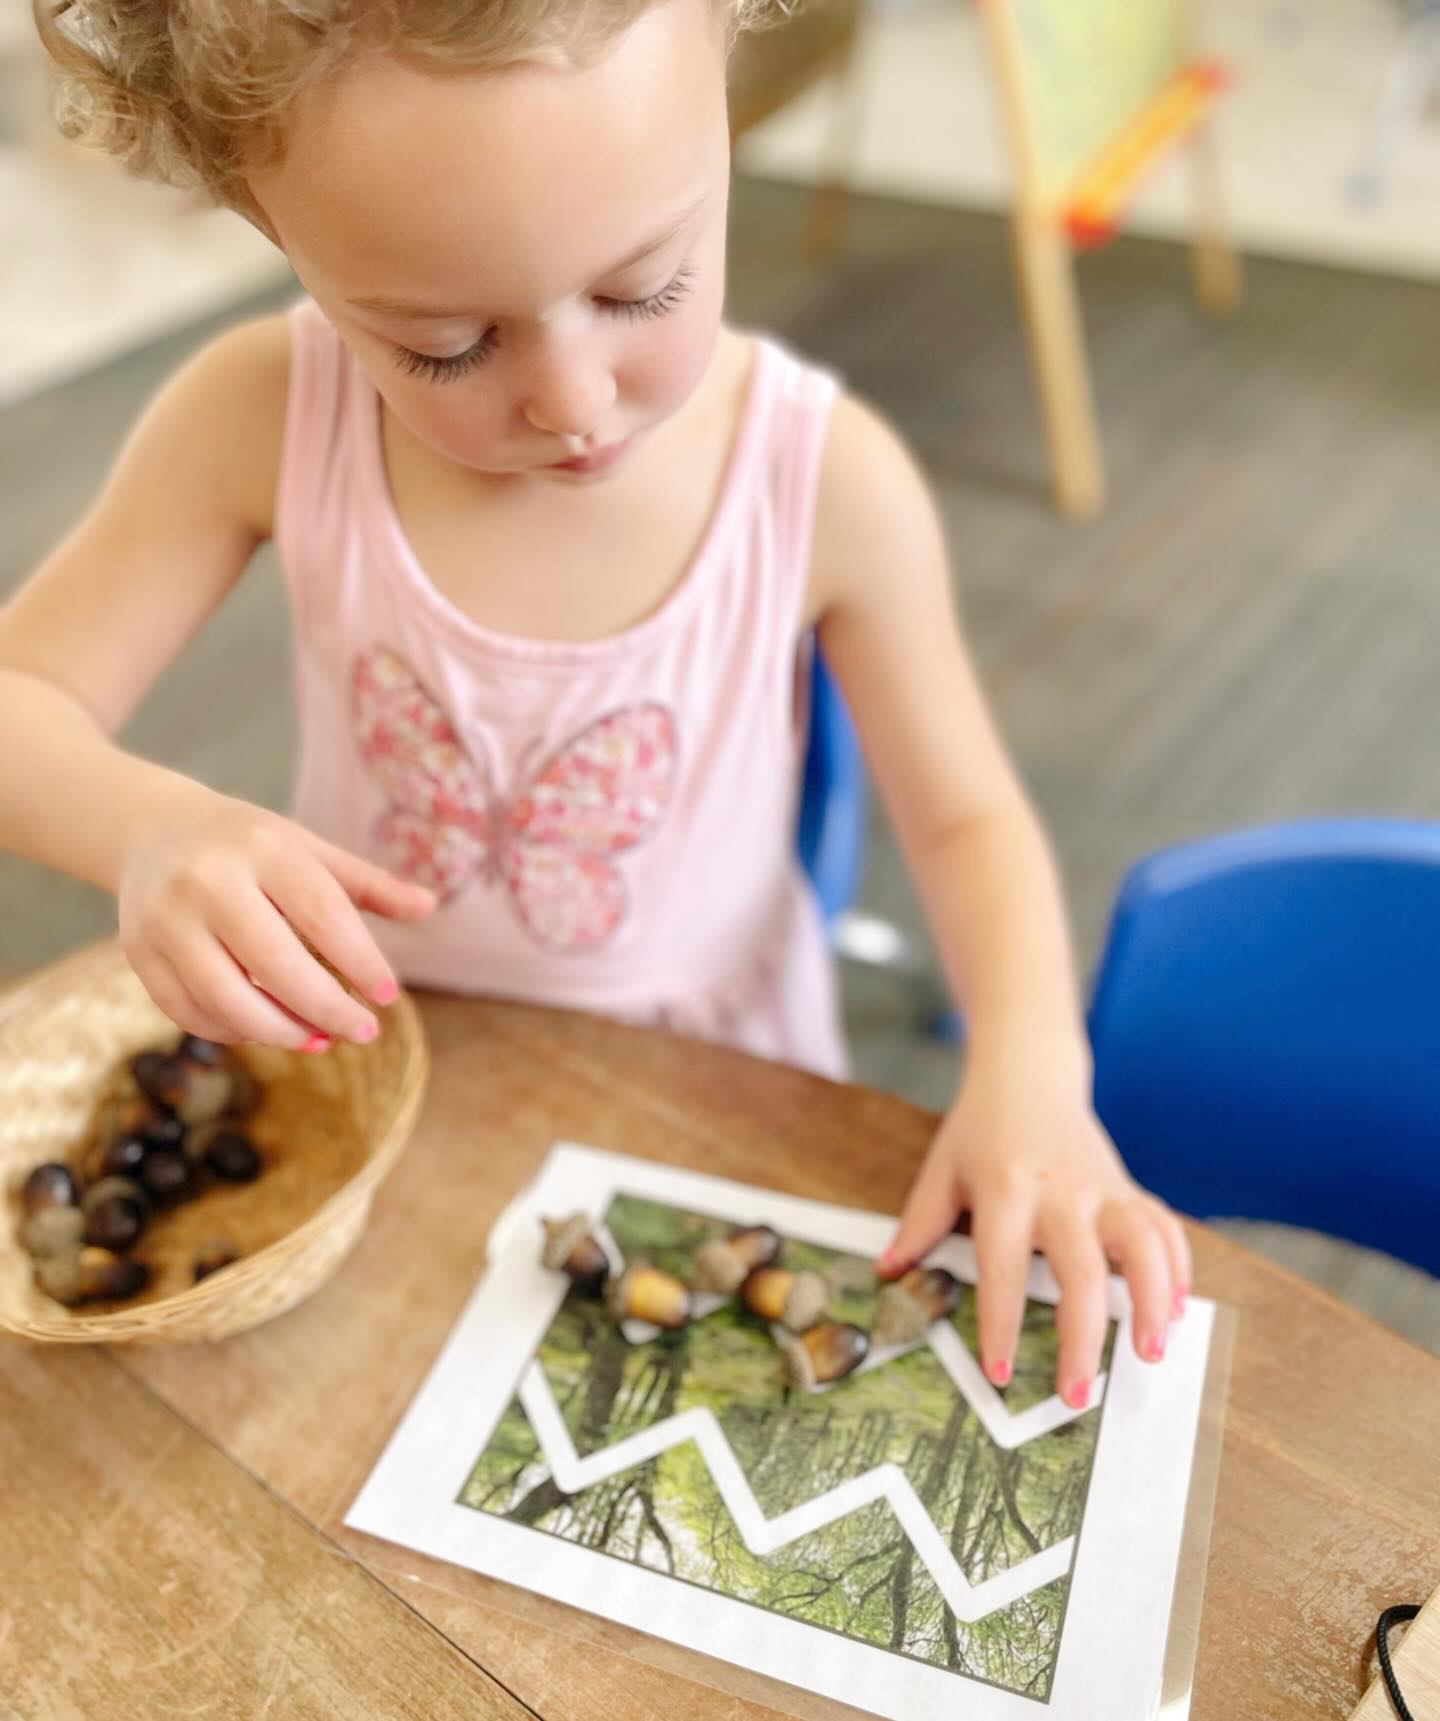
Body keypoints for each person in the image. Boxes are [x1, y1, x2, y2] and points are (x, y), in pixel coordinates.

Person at [0, 0, 1189, 1403]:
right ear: (278, 237)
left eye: (645, 288)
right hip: (375, 1094)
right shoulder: (264, 412)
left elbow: (969, 816)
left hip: (706, 1095)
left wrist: (1034, 1065)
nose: (572, 401)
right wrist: (145, 823)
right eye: (445, 346)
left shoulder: (823, 478)